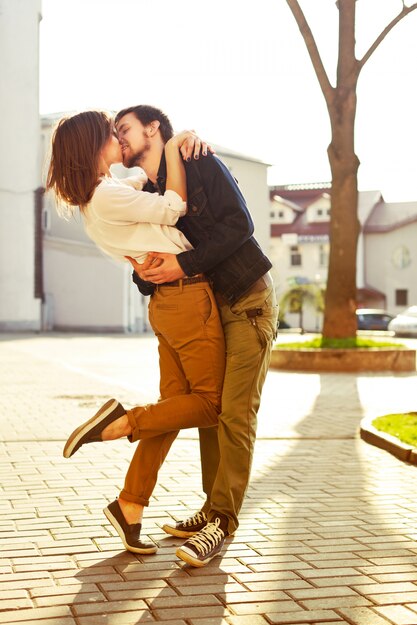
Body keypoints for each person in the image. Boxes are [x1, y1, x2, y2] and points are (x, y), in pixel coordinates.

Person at [46, 110, 225, 555]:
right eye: (110, 133)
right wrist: (169, 146)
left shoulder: (103, 194)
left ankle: (130, 503)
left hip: (169, 303)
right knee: (210, 403)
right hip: (186, 297)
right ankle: (121, 422)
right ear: (92, 147)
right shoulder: (105, 196)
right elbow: (174, 205)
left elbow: (148, 185)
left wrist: (181, 139)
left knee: (175, 409)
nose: (116, 138)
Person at [114, 105, 279, 568]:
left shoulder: (198, 159)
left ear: (153, 129)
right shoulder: (148, 193)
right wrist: (147, 274)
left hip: (246, 299)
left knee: (235, 414)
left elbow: (239, 226)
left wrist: (183, 265)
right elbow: (155, 265)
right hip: (206, 310)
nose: (119, 138)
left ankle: (222, 522)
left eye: (123, 129)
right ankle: (212, 510)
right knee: (211, 409)